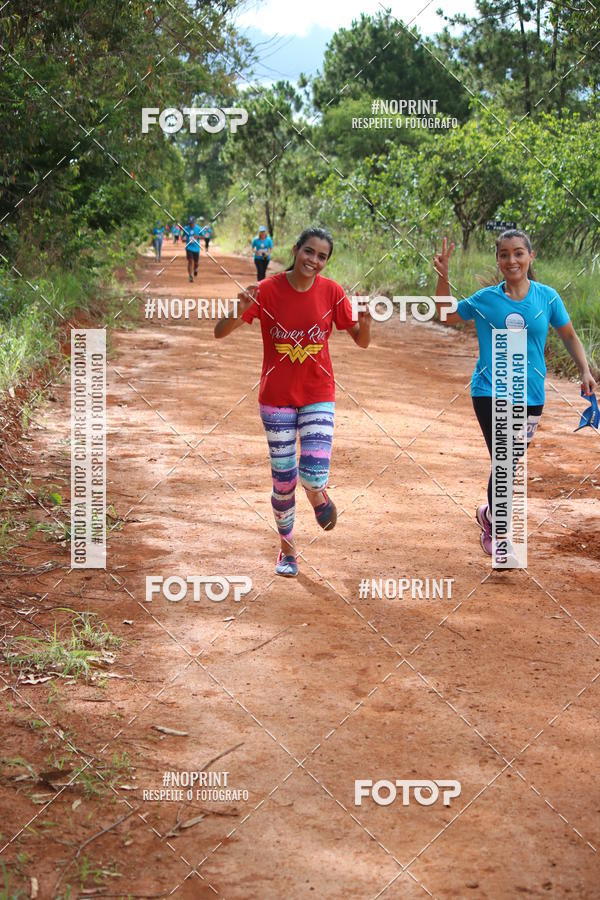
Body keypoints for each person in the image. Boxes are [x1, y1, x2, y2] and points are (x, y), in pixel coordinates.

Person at [214, 226, 371, 577]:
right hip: (276, 399)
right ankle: (287, 549)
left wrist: (366, 321)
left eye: (322, 256)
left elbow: (361, 341)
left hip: (318, 394)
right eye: (309, 252)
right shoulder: (268, 290)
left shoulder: (332, 292)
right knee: (283, 481)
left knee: (313, 476)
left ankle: (318, 496)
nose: (313, 260)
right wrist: (239, 309)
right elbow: (219, 332)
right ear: (296, 249)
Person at [434, 230, 597, 556]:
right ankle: (500, 531)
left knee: (508, 460)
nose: (512, 260)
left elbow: (569, 334)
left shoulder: (547, 297)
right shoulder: (485, 299)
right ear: (498, 259)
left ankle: (490, 514)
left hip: (532, 395)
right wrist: (443, 277)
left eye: (519, 253)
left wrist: (584, 369)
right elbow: (445, 315)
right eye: (505, 254)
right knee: (506, 459)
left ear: (530, 257)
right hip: (489, 389)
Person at [182, 216, 202, 283]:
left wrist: (198, 236)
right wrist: (183, 239)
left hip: (196, 248)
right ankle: (190, 276)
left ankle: (196, 269)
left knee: (196, 263)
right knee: (190, 261)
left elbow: (204, 236)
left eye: (192, 223)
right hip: (189, 247)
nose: (191, 225)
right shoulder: (186, 228)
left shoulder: (198, 228)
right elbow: (182, 237)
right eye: (190, 223)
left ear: (194, 222)